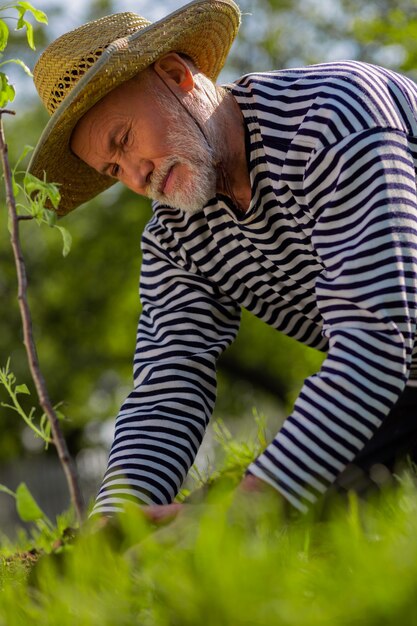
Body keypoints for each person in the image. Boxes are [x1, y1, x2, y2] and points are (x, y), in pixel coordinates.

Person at [29, 0, 417, 521]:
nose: (133, 178)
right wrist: (113, 528)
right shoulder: (176, 237)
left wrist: (249, 509)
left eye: (124, 140)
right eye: (112, 167)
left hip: (392, 368)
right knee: (212, 529)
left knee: (257, 512)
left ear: (175, 74)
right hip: (402, 396)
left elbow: (379, 336)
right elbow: (168, 385)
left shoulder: (331, 119)